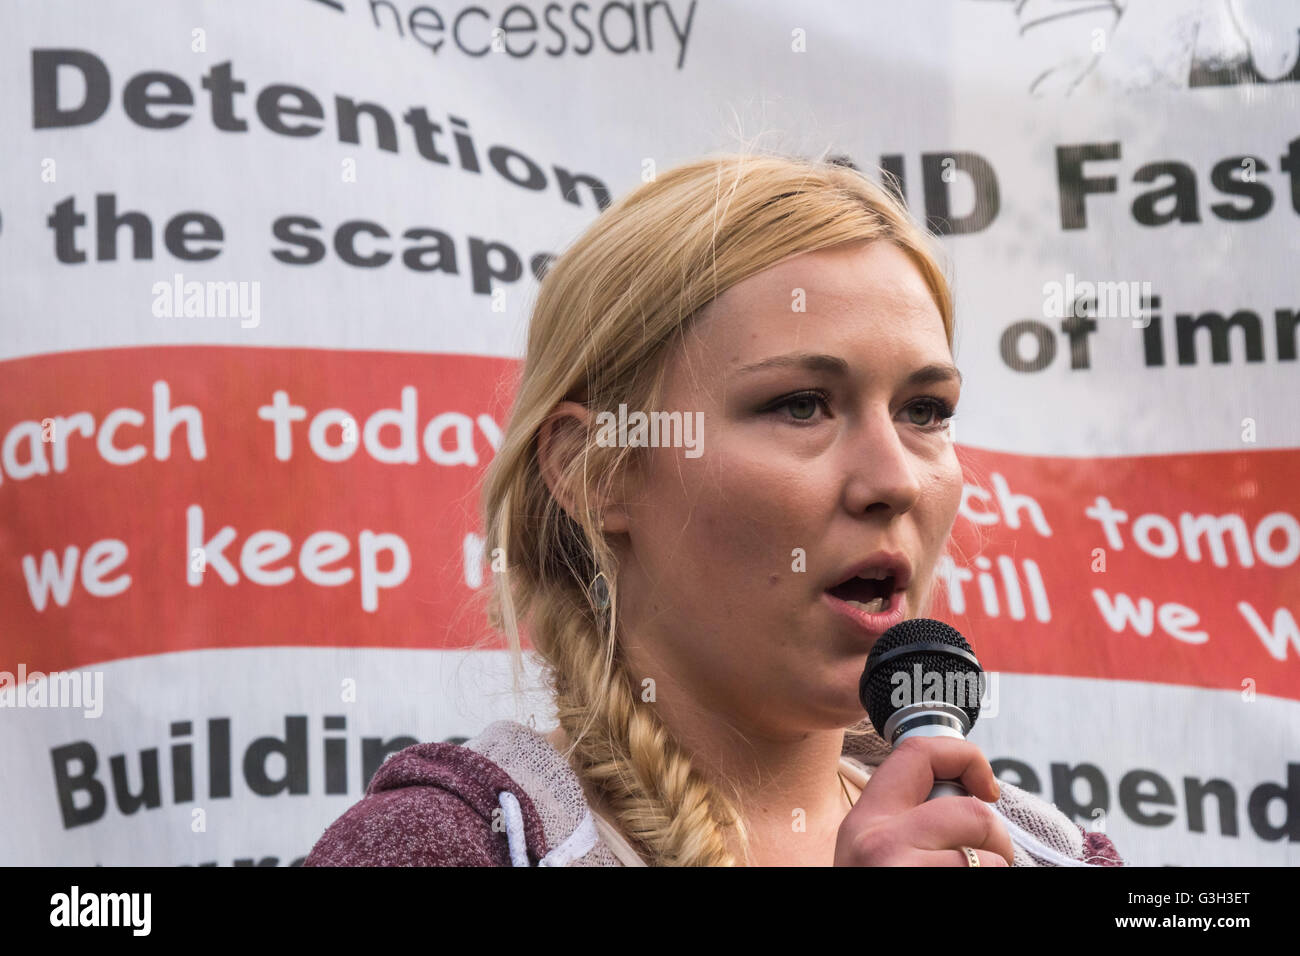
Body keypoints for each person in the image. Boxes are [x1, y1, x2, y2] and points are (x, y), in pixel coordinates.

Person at [305, 151, 1124, 867]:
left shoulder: (1046, 852)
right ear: (600, 470)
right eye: (802, 405)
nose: (895, 480)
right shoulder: (448, 848)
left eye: (925, 411)